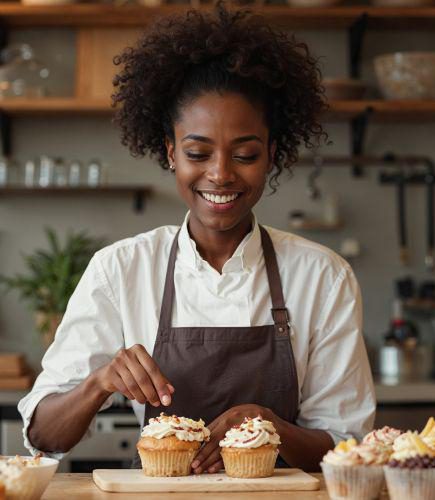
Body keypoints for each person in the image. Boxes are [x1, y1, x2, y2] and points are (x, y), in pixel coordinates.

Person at [18, 4, 375, 474]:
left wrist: (269, 426)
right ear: (170, 153)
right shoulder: (121, 269)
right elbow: (44, 436)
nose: (221, 174)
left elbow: (350, 450)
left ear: (271, 154)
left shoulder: (322, 275)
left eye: (245, 153)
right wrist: (99, 382)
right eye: (197, 152)